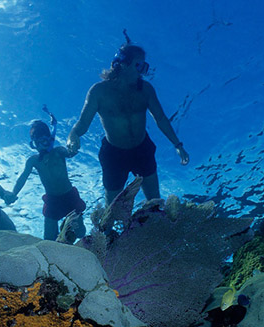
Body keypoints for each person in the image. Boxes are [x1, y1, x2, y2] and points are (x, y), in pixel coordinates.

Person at [67, 43, 189, 205]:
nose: (142, 71)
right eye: (139, 65)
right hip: (113, 155)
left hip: (142, 149)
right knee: (112, 205)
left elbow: (160, 118)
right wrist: (73, 136)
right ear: (122, 64)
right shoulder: (98, 91)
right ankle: (108, 230)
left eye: (144, 66)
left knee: (155, 200)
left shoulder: (146, 90)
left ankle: (156, 225)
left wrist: (178, 145)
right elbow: (82, 123)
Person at [11, 120, 86, 241]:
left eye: (44, 141)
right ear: (33, 144)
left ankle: (66, 230)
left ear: (50, 139)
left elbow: (71, 152)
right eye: (37, 143)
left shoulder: (59, 152)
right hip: (52, 201)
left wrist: (74, 145)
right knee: (48, 240)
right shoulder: (34, 160)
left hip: (69, 197)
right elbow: (23, 178)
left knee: (80, 233)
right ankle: (63, 232)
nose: (41, 146)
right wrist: (14, 193)